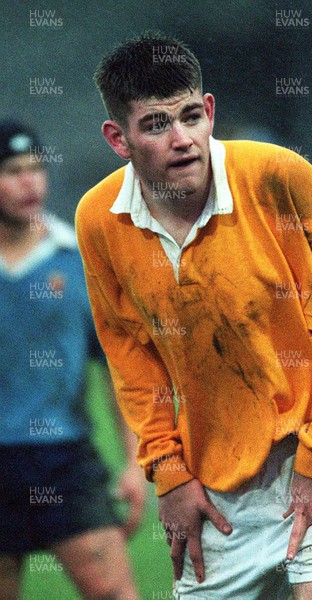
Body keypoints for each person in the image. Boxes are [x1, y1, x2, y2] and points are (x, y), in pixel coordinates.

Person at [75, 31, 312, 600]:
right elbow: (131, 355)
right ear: (118, 138)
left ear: (209, 112)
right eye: (156, 125)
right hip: (216, 491)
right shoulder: (99, 220)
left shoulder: (279, 176)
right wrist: (170, 474)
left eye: (189, 117)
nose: (182, 140)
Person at [0, 120, 146, 600]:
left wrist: (132, 462)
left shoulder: (76, 257)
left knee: (115, 594)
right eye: (14, 171)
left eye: (36, 169)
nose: (30, 183)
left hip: (62, 460)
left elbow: (115, 366)